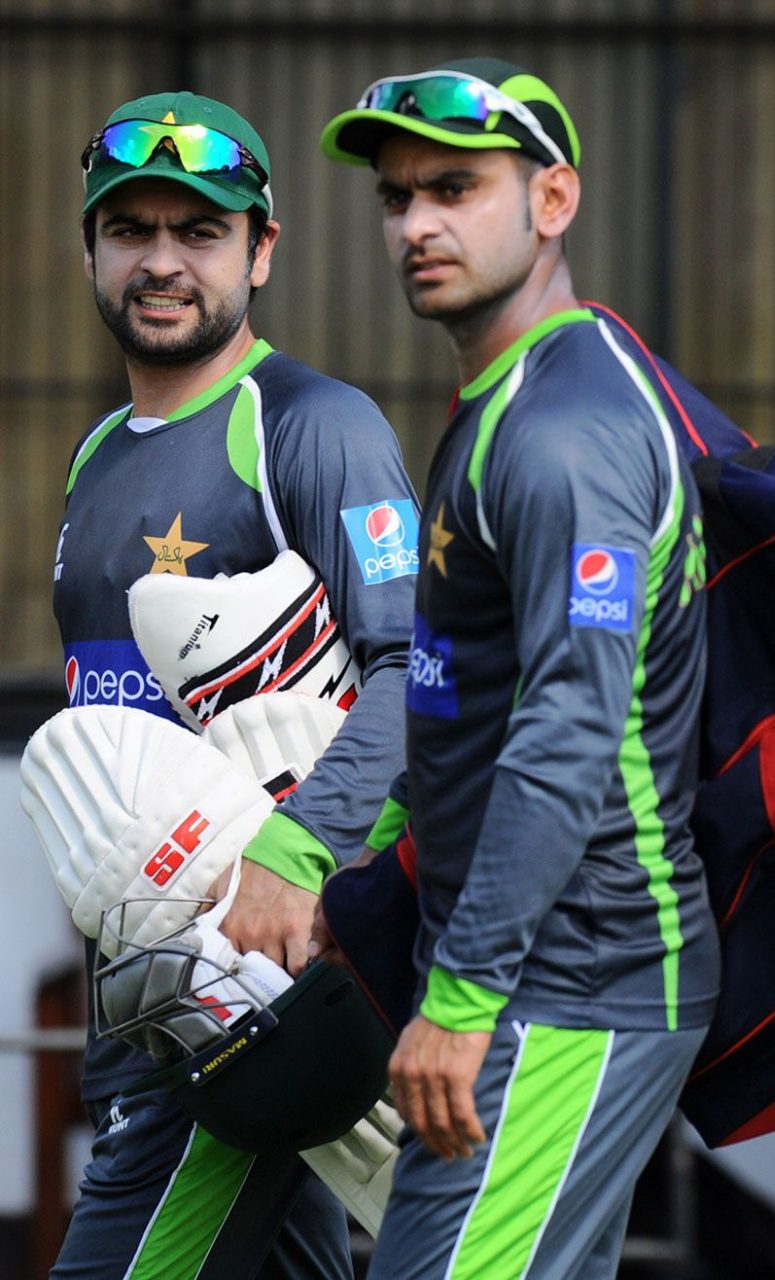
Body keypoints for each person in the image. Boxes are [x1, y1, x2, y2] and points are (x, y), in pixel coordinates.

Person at [315, 58, 722, 1279]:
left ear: (554, 202)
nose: (417, 224)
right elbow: (454, 695)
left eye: (454, 187)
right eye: (396, 198)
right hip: (523, 976)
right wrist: (356, 881)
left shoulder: (562, 433)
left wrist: (459, 996)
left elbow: (563, 730)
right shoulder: (505, 396)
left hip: (571, 980)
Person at [51, 91, 418, 1280]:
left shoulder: (314, 426)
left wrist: (294, 860)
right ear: (92, 247)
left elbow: (418, 677)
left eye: (200, 231)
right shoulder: (98, 453)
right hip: (140, 983)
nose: (162, 260)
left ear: (260, 251)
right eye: (133, 228)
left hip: (262, 982)